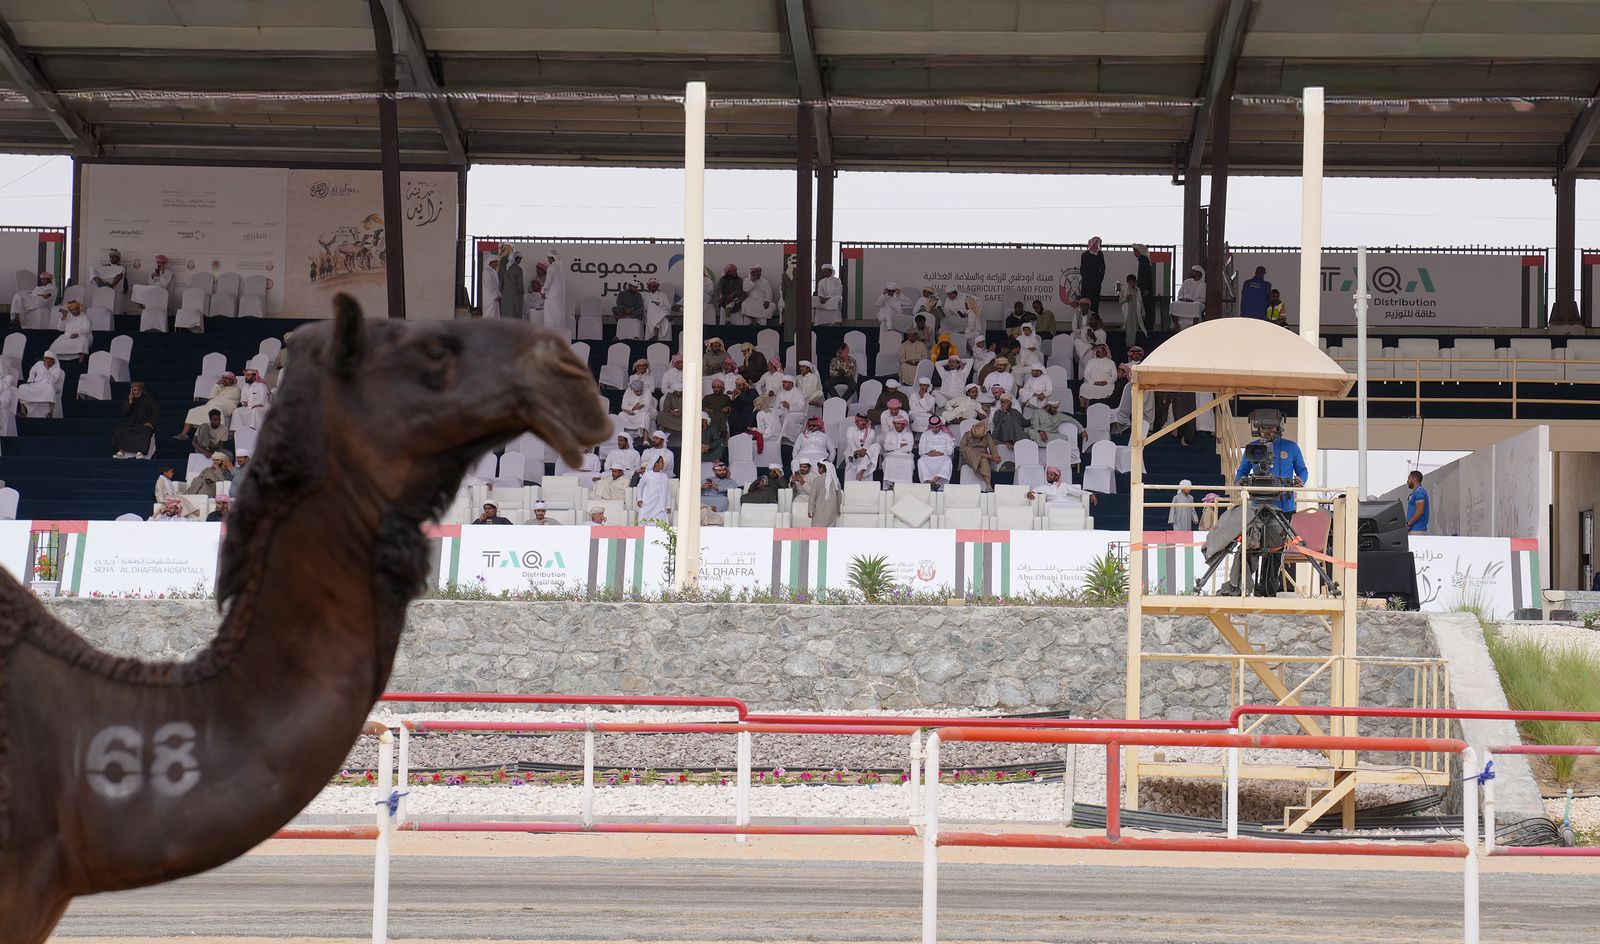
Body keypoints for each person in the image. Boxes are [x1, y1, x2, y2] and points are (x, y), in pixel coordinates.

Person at [1234, 413, 1306, 513]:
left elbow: (1302, 470)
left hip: (1285, 505)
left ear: (1278, 428)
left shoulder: (1291, 447)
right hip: (1258, 505)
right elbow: (1242, 471)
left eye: (1271, 428)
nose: (1267, 431)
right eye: (1263, 428)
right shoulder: (1252, 448)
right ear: (1258, 429)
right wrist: (1238, 482)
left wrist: (1301, 480)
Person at [174, 371, 240, 439]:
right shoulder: (220, 387)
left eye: (226, 378)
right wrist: (217, 385)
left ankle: (220, 434)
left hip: (227, 406)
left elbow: (228, 398)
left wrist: (221, 390)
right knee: (192, 411)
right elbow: (211, 396)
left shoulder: (236, 389)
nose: (223, 380)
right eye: (223, 378)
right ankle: (184, 434)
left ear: (232, 380)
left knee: (216, 410)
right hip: (212, 405)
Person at [111, 381, 159, 459]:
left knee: (147, 431)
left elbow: (156, 410)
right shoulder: (129, 399)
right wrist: (129, 402)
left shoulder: (148, 399)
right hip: (131, 424)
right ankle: (121, 451)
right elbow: (124, 413)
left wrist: (150, 422)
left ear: (142, 390)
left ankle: (140, 452)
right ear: (131, 391)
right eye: (134, 390)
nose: (136, 392)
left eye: (138, 390)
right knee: (119, 429)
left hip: (143, 424)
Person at [16, 352, 64, 417]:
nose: (45, 360)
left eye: (47, 359)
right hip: (37, 384)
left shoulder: (57, 370)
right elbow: (32, 370)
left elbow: (52, 381)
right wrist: (31, 379)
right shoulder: (39, 364)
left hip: (48, 385)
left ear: (52, 360)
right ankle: (23, 411)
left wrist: (47, 369)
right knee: (22, 387)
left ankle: (50, 412)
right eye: (44, 358)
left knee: (50, 388)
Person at [959, 421, 1003, 490]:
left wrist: (996, 456)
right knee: (966, 449)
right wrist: (981, 455)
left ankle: (988, 485)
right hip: (969, 456)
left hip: (983, 455)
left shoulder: (986, 435)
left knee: (984, 460)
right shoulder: (967, 434)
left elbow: (992, 446)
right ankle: (984, 455)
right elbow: (961, 448)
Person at [916, 416, 957, 488]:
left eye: (936, 427)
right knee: (921, 461)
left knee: (948, 461)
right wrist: (928, 453)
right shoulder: (925, 434)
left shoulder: (946, 434)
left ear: (940, 426)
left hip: (942, 456)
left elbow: (951, 448)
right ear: (930, 426)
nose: (934, 429)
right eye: (933, 427)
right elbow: (921, 449)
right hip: (928, 456)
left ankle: (933, 481)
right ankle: (929, 482)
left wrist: (942, 453)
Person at [1030, 466, 1096, 508]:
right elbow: (1033, 491)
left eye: (1051, 475)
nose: (1048, 476)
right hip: (1053, 507)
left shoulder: (1063, 485)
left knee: (1078, 506)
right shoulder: (1044, 487)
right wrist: (1029, 494)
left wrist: (1090, 494)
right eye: (1047, 474)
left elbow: (1077, 491)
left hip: (1066, 505)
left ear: (1057, 476)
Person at [842, 413, 881, 482]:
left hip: (865, 453)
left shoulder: (871, 431)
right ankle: (862, 467)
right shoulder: (850, 429)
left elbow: (869, 441)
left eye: (865, 420)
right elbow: (850, 440)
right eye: (861, 420)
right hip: (852, 453)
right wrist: (855, 450)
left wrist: (864, 449)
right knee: (852, 457)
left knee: (877, 446)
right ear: (856, 422)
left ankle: (862, 467)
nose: (863, 422)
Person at [1079, 343, 1117, 410]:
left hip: (1106, 384)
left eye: (1099, 350)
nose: (1097, 351)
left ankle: (1108, 408)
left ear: (1105, 352)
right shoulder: (1091, 361)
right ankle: (1082, 409)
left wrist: (1106, 382)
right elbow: (1086, 373)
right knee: (1083, 387)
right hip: (1092, 383)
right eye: (1096, 350)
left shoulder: (1111, 362)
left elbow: (1114, 376)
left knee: (1111, 388)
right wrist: (1093, 382)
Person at [636, 455, 673, 523]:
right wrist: (639, 499)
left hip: (660, 506)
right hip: (648, 504)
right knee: (644, 522)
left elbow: (668, 492)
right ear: (656, 463)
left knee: (661, 525)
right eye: (662, 462)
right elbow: (640, 486)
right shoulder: (647, 474)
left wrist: (668, 505)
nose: (663, 464)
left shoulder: (664, 476)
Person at [804, 460, 841, 527]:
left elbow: (812, 497)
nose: (818, 469)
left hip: (819, 510)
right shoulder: (836, 481)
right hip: (832, 510)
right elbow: (839, 498)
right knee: (829, 531)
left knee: (818, 531)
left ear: (822, 468)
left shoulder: (817, 480)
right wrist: (838, 510)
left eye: (819, 467)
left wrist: (810, 510)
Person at [92, 248, 128, 314]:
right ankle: (103, 286)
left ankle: (110, 286)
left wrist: (111, 286)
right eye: (110, 256)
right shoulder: (104, 267)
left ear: (118, 258)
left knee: (117, 312)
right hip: (105, 292)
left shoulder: (122, 267)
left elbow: (120, 275)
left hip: (116, 292)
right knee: (92, 270)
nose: (112, 258)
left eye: (114, 256)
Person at [540, 249, 568, 334]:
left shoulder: (551, 268)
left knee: (550, 318)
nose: (548, 260)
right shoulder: (561, 268)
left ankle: (550, 335)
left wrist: (543, 291)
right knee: (558, 316)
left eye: (548, 258)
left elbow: (548, 282)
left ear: (552, 258)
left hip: (551, 297)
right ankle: (560, 334)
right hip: (559, 297)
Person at [1116, 274, 1146, 346]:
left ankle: (1133, 345)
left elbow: (1140, 301)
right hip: (1128, 312)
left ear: (1135, 282)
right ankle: (1129, 345)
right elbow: (1120, 301)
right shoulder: (1124, 289)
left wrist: (1143, 312)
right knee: (1129, 330)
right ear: (1127, 282)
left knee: (1134, 330)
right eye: (1130, 282)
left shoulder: (1137, 290)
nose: (1132, 284)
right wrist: (1126, 298)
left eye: (1133, 282)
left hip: (1136, 312)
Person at [1134, 243, 1158, 331]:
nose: (1134, 252)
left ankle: (1148, 326)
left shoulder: (1144, 260)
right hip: (1143, 289)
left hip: (1145, 289)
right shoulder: (1142, 260)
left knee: (1147, 307)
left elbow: (1146, 277)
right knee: (1144, 307)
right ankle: (1145, 325)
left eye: (1135, 250)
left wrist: (1145, 289)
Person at [1079, 236, 1107, 313]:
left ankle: (1085, 321)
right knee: (1093, 304)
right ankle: (1092, 321)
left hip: (1086, 283)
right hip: (1095, 283)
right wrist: (1098, 280)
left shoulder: (1084, 254)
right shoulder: (1099, 254)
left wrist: (1085, 278)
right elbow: (1103, 269)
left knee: (1085, 303)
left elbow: (1082, 270)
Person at [501, 252, 526, 321]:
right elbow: (520, 285)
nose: (520, 261)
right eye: (520, 259)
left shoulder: (503, 269)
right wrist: (522, 293)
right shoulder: (518, 269)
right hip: (515, 296)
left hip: (505, 296)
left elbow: (501, 283)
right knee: (515, 315)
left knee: (506, 315)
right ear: (517, 259)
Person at [480, 254, 502, 318]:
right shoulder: (487, 271)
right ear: (491, 262)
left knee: (495, 315)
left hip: (495, 298)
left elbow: (496, 285)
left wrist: (499, 295)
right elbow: (489, 285)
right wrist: (495, 296)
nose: (497, 264)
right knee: (489, 314)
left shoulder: (493, 272)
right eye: (496, 262)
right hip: (490, 298)